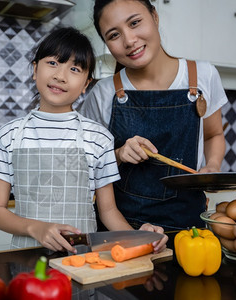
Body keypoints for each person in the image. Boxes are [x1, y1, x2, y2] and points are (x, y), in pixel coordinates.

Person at [0, 27, 168, 253]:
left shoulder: (99, 139)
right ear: (35, 69)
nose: (60, 76)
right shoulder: (8, 135)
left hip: (82, 260)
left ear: (85, 84)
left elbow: (108, 212)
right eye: (52, 63)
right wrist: (36, 228)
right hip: (27, 259)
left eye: (74, 69)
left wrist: (139, 237)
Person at [80, 0, 228, 231]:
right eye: (114, 35)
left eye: (135, 23)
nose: (129, 40)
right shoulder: (103, 92)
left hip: (189, 229)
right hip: (122, 230)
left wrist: (213, 165)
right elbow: (86, 164)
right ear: (107, 44)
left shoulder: (203, 75)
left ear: (155, 16)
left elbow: (213, 135)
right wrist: (118, 154)